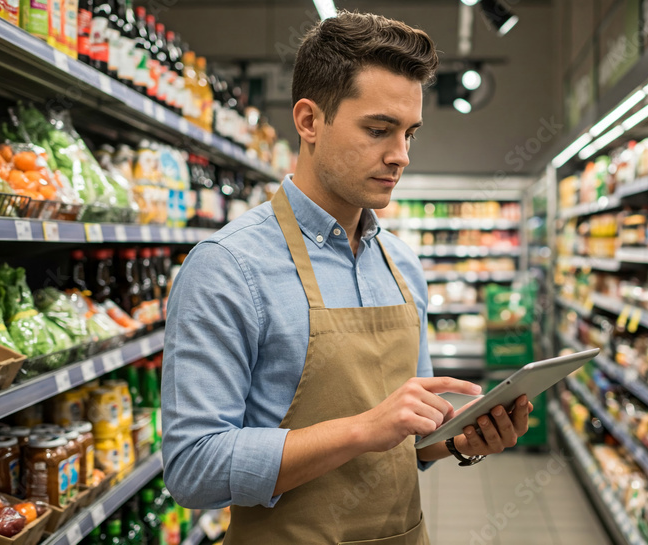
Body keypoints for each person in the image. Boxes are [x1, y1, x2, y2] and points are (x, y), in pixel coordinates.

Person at [161, 10, 533, 544]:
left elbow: (409, 439)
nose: (400, 155)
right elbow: (193, 468)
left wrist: (458, 436)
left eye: (410, 133)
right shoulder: (227, 267)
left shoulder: (401, 266)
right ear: (309, 121)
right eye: (378, 129)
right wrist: (363, 429)